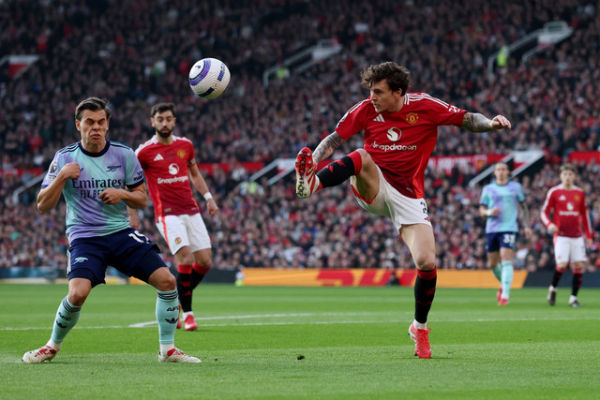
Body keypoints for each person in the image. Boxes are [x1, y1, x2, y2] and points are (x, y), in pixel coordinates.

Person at [294, 61, 511, 359]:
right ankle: (313, 184)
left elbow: (467, 119)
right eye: (371, 91)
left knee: (426, 261)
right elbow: (335, 139)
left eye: (379, 92)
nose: (373, 97)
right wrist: (313, 163)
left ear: (398, 92)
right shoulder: (364, 109)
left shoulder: (424, 106)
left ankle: (419, 328)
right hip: (373, 184)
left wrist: (491, 123)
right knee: (361, 155)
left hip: (408, 195)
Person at [22, 97, 200, 364]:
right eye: (89, 122)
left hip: (120, 233)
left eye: (101, 122)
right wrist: (61, 177)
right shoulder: (65, 157)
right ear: (78, 124)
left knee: (168, 281)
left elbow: (141, 199)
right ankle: (51, 345)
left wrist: (121, 194)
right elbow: (42, 205)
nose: (96, 127)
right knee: (77, 293)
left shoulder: (124, 154)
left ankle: (168, 349)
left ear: (107, 124)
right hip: (85, 237)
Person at [128, 102, 219, 331]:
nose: (165, 123)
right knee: (186, 259)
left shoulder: (185, 145)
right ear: (152, 121)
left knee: (205, 261)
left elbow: (195, 174)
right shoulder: (144, 151)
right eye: (160, 119)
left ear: (174, 121)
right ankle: (188, 314)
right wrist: (132, 213)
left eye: (169, 118)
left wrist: (208, 196)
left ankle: (177, 302)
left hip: (191, 210)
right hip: (167, 214)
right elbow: (130, 182)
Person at [540, 163, 593, 307]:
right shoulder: (554, 192)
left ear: (574, 176)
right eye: (565, 174)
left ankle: (573, 298)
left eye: (570, 174)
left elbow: (585, 215)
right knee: (562, 265)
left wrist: (589, 236)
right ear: (560, 176)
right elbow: (544, 212)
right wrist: (549, 224)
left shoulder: (579, 193)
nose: (568, 177)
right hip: (561, 235)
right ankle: (553, 288)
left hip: (577, 235)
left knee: (579, 265)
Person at [479, 162, 531, 306]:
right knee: (492, 263)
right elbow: (481, 210)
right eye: (498, 169)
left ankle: (505, 296)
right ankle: (503, 283)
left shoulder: (516, 187)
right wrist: (490, 212)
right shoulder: (488, 189)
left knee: (506, 258)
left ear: (508, 172)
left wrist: (526, 226)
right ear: (494, 173)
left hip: (509, 227)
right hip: (492, 228)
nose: (501, 172)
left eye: (503, 169)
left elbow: (524, 207)